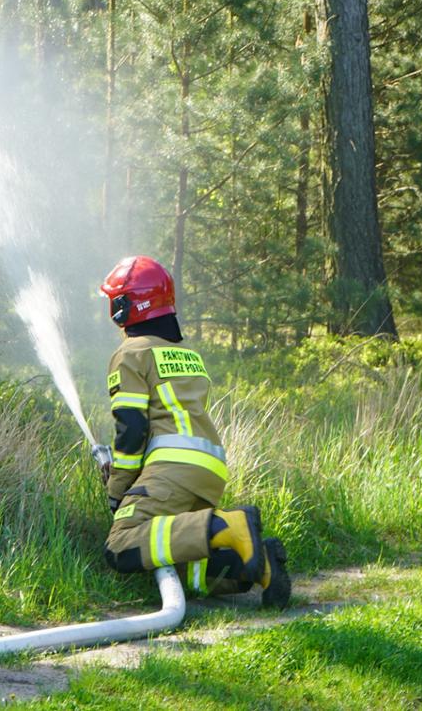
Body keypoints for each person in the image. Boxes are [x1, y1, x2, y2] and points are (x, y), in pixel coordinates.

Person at [94, 255, 291, 608]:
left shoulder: (130, 354)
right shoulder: (185, 354)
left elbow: (132, 427)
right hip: (209, 466)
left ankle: (228, 526)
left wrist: (118, 487)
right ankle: (258, 562)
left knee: (121, 544)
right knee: (185, 563)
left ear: (126, 306)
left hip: (173, 468)